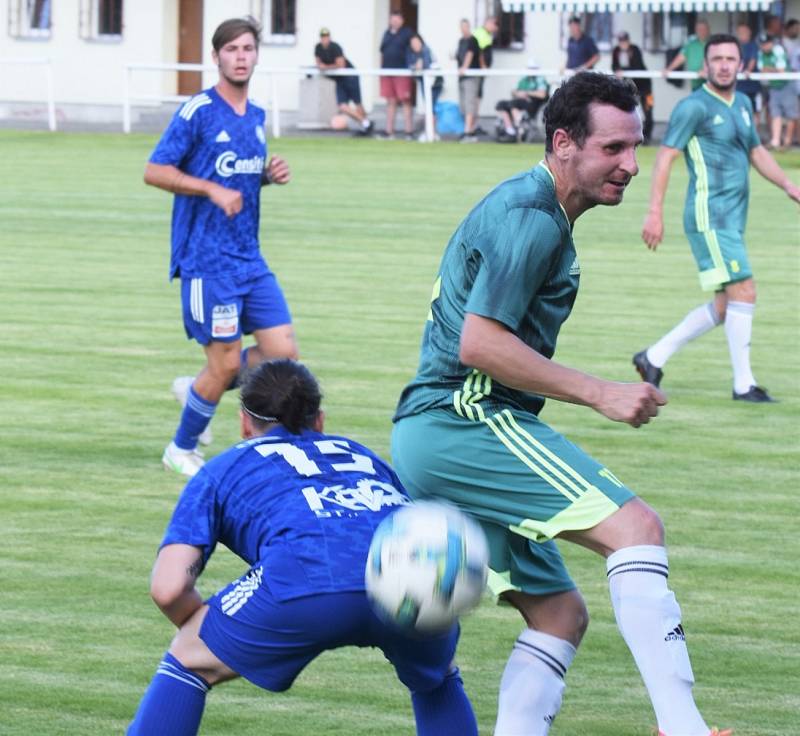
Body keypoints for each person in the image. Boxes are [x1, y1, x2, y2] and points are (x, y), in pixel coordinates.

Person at [392, 71, 730, 736]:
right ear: (564, 142)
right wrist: (600, 392)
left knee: (558, 614)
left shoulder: (536, 209)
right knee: (637, 529)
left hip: (435, 433)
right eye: (614, 149)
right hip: (465, 419)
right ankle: (684, 729)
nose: (631, 165)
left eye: (637, 147)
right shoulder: (533, 219)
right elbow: (480, 344)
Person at [127, 359, 479, 736]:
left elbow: (168, 588)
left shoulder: (224, 467)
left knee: (189, 656)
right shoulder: (364, 456)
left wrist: (205, 633)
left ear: (245, 423)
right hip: (407, 579)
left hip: (302, 579)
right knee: (437, 677)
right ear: (320, 420)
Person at [144, 17, 297, 478]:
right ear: (216, 57)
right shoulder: (197, 112)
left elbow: (239, 180)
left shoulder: (256, 116)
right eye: (231, 49)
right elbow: (155, 170)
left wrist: (266, 176)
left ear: (256, 55)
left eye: (248, 48)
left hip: (249, 259)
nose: (241, 56)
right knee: (228, 360)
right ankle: (181, 447)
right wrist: (209, 189)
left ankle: (197, 388)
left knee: (283, 354)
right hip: (206, 263)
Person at [638, 34, 800, 403]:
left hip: (733, 219)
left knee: (728, 304)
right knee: (745, 289)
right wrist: (654, 213)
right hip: (709, 217)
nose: (725, 65)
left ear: (741, 64)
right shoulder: (693, 107)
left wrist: (790, 186)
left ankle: (653, 357)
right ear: (705, 65)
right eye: (718, 59)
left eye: (731, 58)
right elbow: (665, 158)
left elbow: (757, 152)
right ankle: (744, 385)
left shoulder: (742, 103)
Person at [314, 27, 373, 135]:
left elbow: (341, 65)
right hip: (339, 80)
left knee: (357, 103)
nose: (324, 39)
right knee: (342, 106)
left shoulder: (335, 47)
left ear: (329, 37)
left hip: (350, 76)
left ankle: (365, 126)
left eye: (326, 37)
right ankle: (366, 123)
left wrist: (325, 67)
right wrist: (321, 66)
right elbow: (318, 63)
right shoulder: (318, 48)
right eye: (323, 37)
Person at [458, 16, 498, 142]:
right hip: (468, 76)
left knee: (474, 102)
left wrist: (482, 67)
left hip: (475, 75)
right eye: (495, 24)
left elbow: (478, 53)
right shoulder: (471, 37)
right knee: (470, 103)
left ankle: (470, 131)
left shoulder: (478, 37)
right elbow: (475, 53)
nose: (496, 28)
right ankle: (469, 130)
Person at [612, 31, 654, 143]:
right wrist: (618, 72)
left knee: (648, 108)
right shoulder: (616, 51)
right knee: (628, 108)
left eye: (624, 41)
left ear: (628, 41)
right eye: (621, 41)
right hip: (629, 86)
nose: (623, 43)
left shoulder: (634, 49)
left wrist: (623, 72)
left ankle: (648, 135)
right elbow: (614, 66)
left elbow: (638, 65)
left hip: (644, 85)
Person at [758, 33, 797, 149]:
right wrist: (771, 70)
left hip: (786, 84)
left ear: (771, 43)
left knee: (791, 114)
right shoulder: (761, 53)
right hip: (773, 86)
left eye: (766, 43)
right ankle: (775, 141)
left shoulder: (778, 50)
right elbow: (762, 70)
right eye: (762, 44)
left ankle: (787, 141)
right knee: (775, 114)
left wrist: (769, 69)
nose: (765, 46)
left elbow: (781, 70)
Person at [379, 10, 414, 140]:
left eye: (397, 19)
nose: (394, 21)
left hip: (402, 72)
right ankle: (389, 132)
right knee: (390, 101)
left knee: (405, 101)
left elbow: (415, 49)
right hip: (387, 72)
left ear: (402, 20)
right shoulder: (386, 34)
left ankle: (408, 132)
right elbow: (382, 52)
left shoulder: (407, 33)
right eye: (392, 19)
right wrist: (381, 70)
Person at [494, 60, 549, 142]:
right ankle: (510, 131)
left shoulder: (540, 80)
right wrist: (518, 93)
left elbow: (543, 94)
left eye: (533, 68)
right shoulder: (524, 79)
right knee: (501, 104)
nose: (531, 70)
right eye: (530, 68)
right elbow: (514, 91)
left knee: (513, 104)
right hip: (519, 101)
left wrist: (527, 93)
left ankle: (518, 128)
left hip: (532, 104)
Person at [407, 33, 444, 141]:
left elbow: (426, 66)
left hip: (435, 83)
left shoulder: (425, 50)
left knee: (430, 107)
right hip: (425, 82)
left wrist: (420, 65)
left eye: (416, 42)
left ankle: (431, 132)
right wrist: (415, 66)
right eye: (412, 43)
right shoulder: (411, 53)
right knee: (428, 107)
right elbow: (409, 65)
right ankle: (430, 132)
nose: (414, 45)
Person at [663, 19, 710, 91]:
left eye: (704, 29)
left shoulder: (714, 43)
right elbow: (681, 58)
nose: (701, 31)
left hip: (711, 84)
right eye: (699, 29)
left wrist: (708, 71)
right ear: (696, 31)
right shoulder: (691, 44)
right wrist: (669, 69)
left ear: (708, 30)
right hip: (696, 84)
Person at [735, 23, 761, 114]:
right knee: (738, 111)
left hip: (751, 86)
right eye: (740, 32)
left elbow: (753, 59)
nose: (742, 34)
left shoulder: (753, 45)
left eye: (744, 32)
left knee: (753, 110)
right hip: (738, 87)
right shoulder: (736, 46)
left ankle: (754, 129)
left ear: (749, 32)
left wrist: (748, 70)